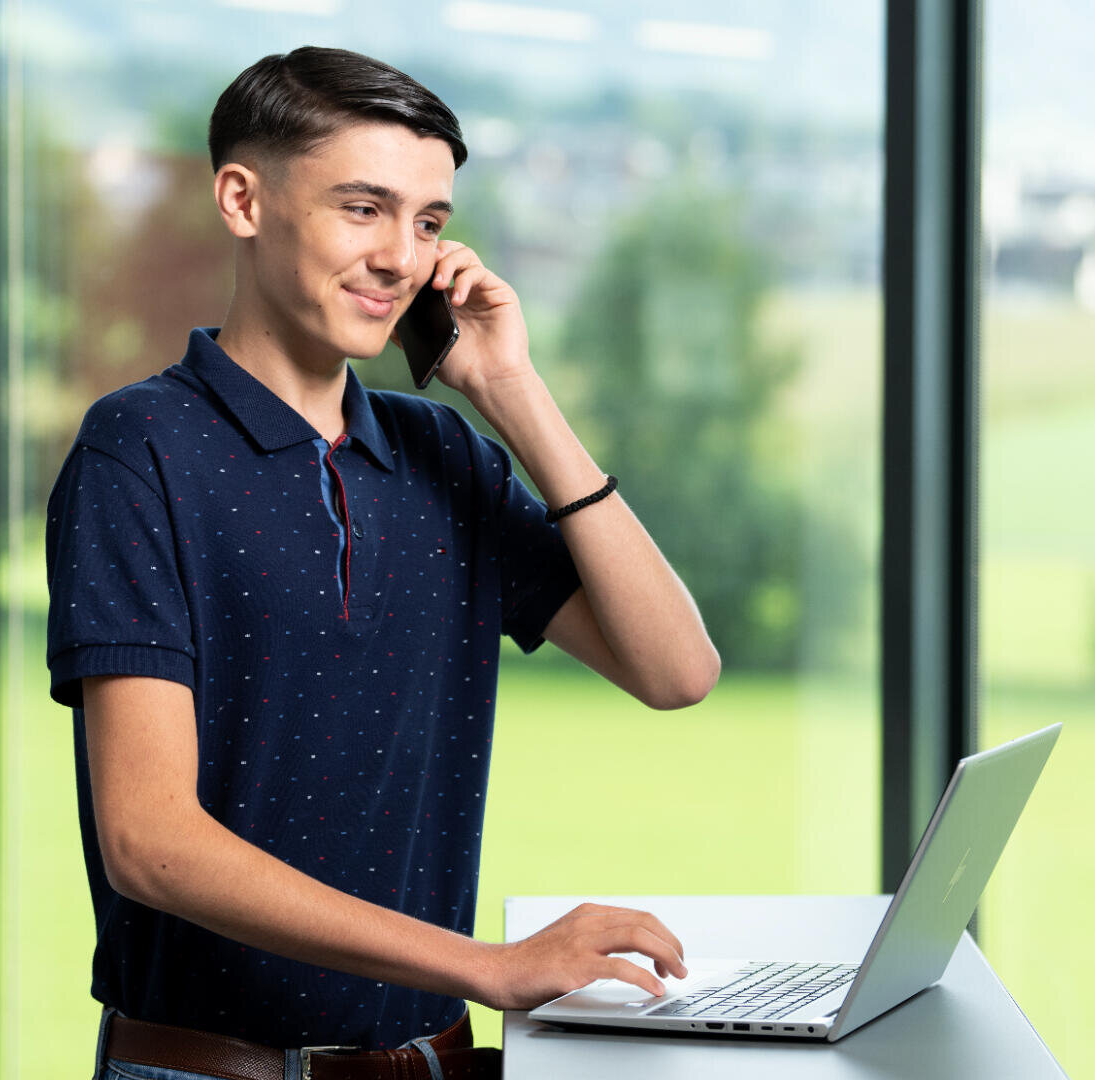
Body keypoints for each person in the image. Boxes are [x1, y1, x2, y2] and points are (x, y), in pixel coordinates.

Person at [44, 45, 721, 1079]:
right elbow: (150, 841)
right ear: (242, 200)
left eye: (430, 221)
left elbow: (677, 671)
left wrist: (515, 397)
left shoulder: (441, 454)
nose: (402, 257)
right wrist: (488, 967)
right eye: (363, 208)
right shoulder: (139, 451)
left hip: (433, 1064)